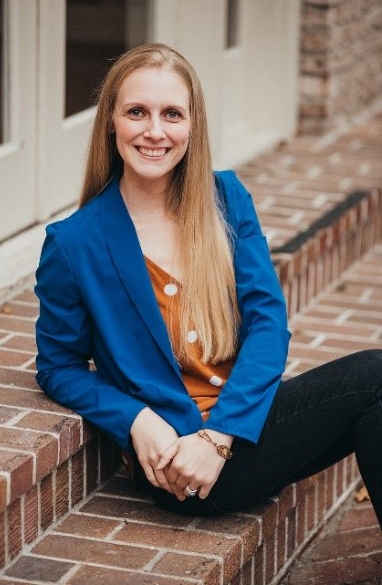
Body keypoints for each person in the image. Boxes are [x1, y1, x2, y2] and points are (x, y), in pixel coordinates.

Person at [35, 43, 382, 525]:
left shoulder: (226, 199)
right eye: (137, 112)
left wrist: (219, 437)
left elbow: (267, 323)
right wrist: (137, 419)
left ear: (192, 125)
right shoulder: (74, 243)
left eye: (172, 114)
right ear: (111, 122)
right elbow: (58, 367)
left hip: (241, 428)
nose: (154, 131)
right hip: (181, 465)